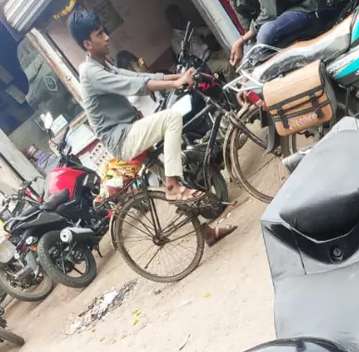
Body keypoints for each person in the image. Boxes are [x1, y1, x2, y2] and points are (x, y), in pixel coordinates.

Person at [68, 7, 235, 244]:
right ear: (87, 43)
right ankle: (172, 186)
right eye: (99, 34)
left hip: (130, 131)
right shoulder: (90, 72)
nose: (107, 37)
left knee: (175, 175)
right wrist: (175, 84)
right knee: (171, 118)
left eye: (104, 31)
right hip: (122, 139)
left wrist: (174, 76)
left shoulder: (101, 64)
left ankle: (206, 233)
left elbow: (136, 77)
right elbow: (133, 86)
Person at [230, 0, 343, 65]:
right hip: (282, 17)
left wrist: (241, 40)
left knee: (265, 33)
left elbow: (269, 14)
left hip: (306, 7)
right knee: (250, 55)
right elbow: (248, 30)